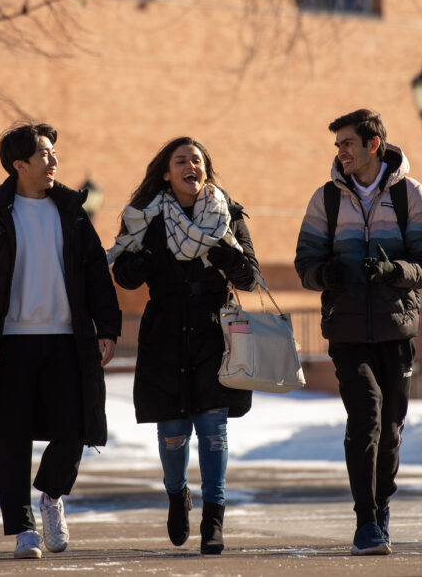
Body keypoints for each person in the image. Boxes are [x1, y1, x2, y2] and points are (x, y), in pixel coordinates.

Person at [0, 122, 121, 560]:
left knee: (74, 429)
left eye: (53, 153)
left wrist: (107, 328)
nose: (54, 161)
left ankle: (51, 496)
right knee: (13, 438)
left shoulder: (72, 213)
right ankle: (23, 529)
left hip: (67, 340)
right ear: (19, 164)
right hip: (10, 345)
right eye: (44, 154)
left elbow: (96, 277)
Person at [294, 109, 422, 556]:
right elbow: (305, 265)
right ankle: (366, 521)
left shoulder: (410, 196)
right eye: (337, 144)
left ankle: (381, 508)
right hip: (347, 331)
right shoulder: (327, 200)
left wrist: (393, 270)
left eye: (347, 143)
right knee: (366, 418)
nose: (340, 151)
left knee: (391, 428)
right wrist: (330, 274)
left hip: (397, 330)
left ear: (372, 144)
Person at [108, 137, 259, 555]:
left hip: (214, 331)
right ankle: (177, 494)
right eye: (181, 161)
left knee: (214, 430)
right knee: (173, 434)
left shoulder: (227, 215)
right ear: (166, 173)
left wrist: (225, 255)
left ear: (205, 170)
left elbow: (250, 277)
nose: (190, 165)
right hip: (165, 335)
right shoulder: (145, 218)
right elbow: (125, 275)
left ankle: (214, 518)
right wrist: (149, 255)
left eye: (197, 160)